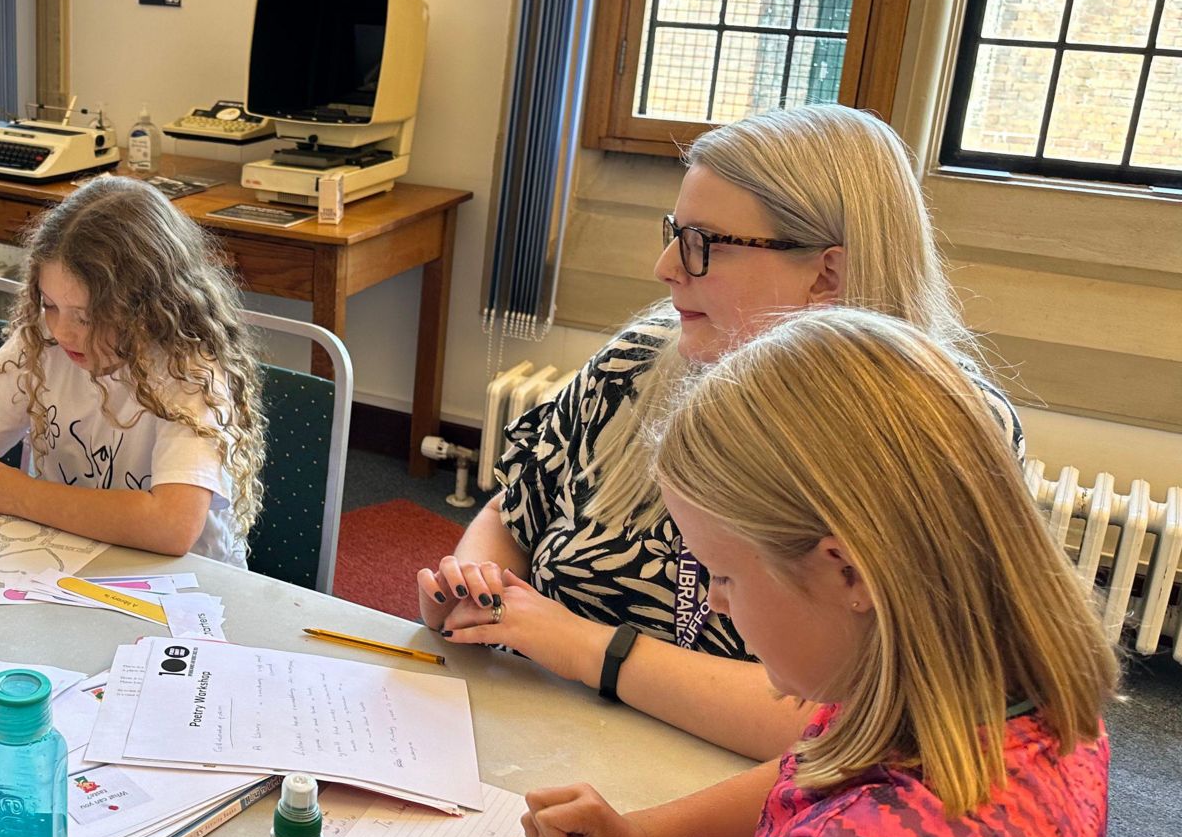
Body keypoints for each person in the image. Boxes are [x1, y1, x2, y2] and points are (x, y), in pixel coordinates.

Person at [416, 105, 1024, 760]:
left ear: (827, 274)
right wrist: (475, 589)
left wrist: (586, 649)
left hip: (744, 796)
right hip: (532, 733)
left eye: (705, 243)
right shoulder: (642, 360)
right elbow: (516, 512)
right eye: (674, 232)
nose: (666, 266)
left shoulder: (945, 431)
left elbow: (881, 723)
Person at [516, 310, 1114, 837]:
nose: (712, 600)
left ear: (848, 571)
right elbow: (808, 775)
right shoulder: (997, 693)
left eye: (722, 574)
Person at [0, 176, 266, 563]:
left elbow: (171, 526)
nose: (63, 331)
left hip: (183, 596)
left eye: (87, 317)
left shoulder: (189, 369)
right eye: (50, 305)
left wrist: (23, 496)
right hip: (70, 564)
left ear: (150, 308)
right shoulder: (43, 341)